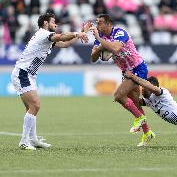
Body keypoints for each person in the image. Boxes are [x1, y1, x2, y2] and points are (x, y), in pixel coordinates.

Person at [11, 13, 90, 150]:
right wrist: (78, 33)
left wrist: (81, 33)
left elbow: (64, 43)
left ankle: (33, 139)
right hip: (23, 73)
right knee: (35, 105)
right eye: (54, 22)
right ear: (46, 23)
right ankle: (24, 141)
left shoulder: (46, 38)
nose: (56, 24)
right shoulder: (43, 34)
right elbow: (60, 36)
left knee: (30, 107)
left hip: (28, 74)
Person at [90, 14, 154, 146]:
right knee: (135, 102)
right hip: (126, 72)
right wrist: (100, 46)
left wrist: (99, 40)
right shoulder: (101, 38)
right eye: (96, 22)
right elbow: (93, 58)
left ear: (108, 24)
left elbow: (115, 48)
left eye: (100, 22)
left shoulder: (120, 32)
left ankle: (140, 118)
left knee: (119, 95)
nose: (97, 25)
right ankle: (148, 133)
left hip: (138, 68)